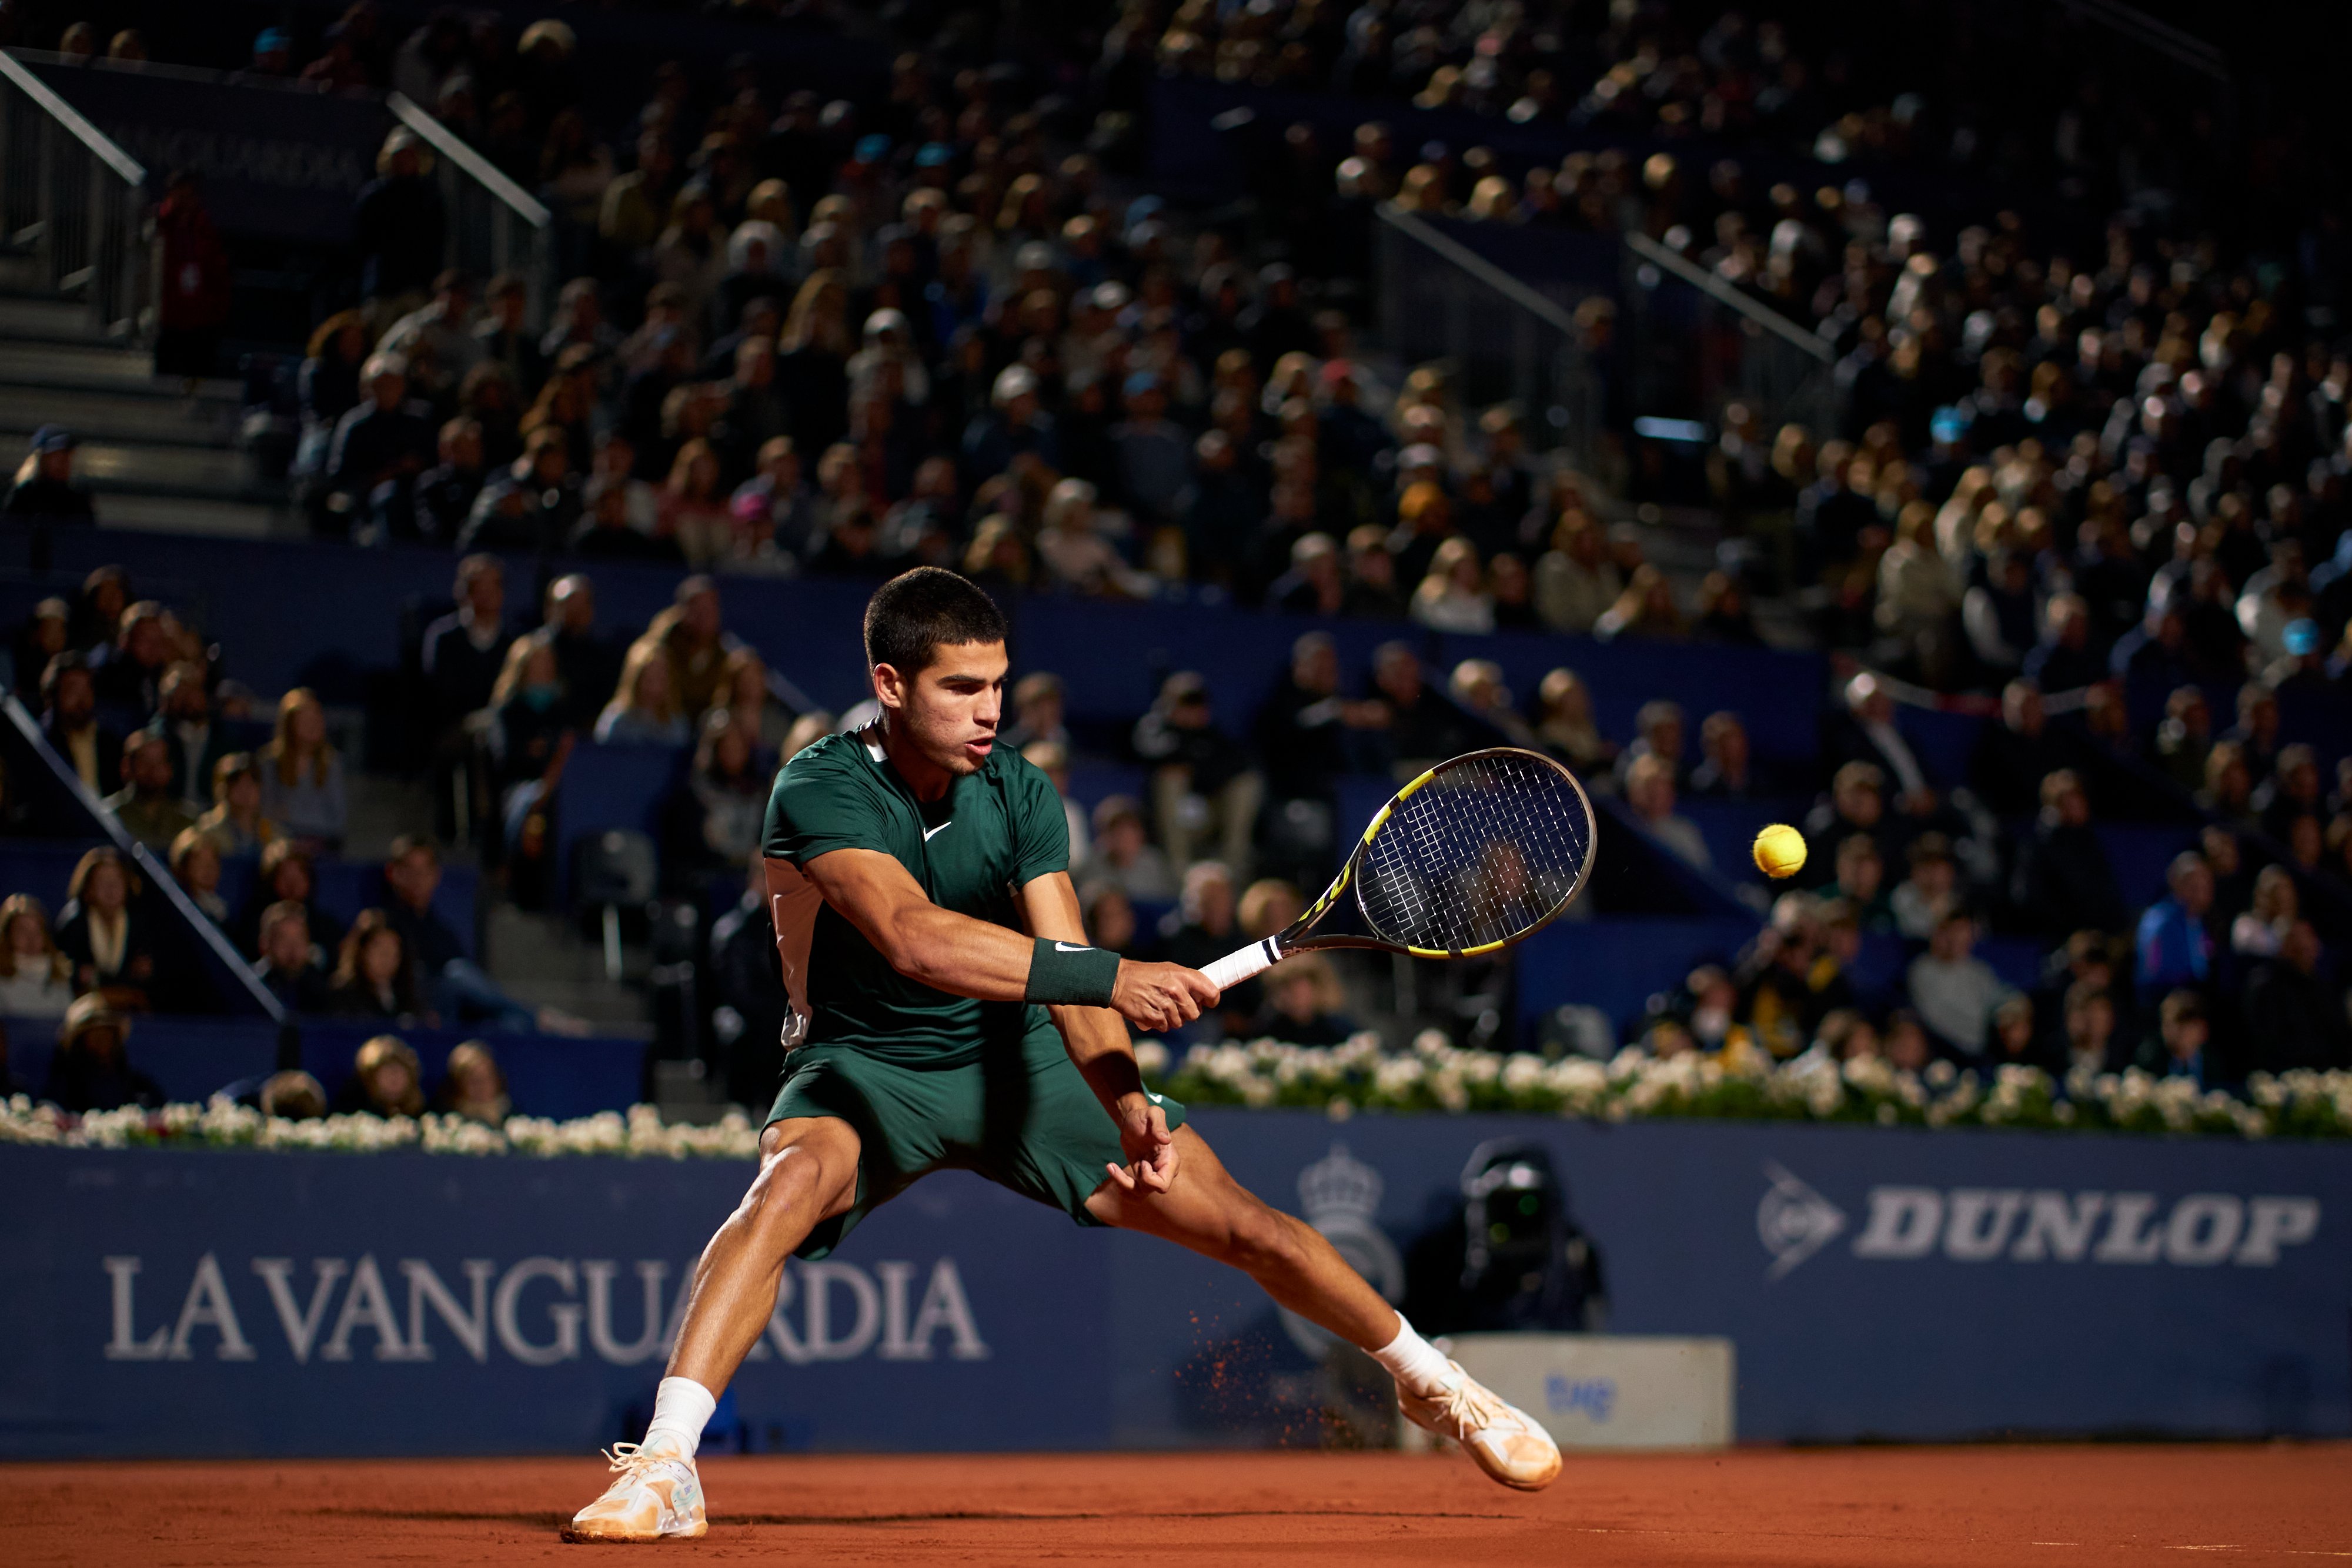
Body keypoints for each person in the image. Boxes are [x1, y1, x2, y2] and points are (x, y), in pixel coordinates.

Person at [566, 567, 1558, 1540]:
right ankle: (666, 1462)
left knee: (1246, 1225)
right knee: (785, 1188)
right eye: (961, 686)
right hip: (868, 1063)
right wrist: (1113, 975)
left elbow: (1073, 967)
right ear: (891, 684)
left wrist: (1126, 1099)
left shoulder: (1021, 792)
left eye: (997, 682)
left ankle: (1439, 1386)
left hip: (1023, 1064)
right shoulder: (820, 786)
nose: (989, 708)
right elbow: (915, 937)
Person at [55, 847, 157, 1003]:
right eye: (103, 881)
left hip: (127, 999)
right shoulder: (74, 923)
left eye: (117, 881)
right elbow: (63, 967)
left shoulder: (139, 921)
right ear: (88, 888)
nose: (111, 888)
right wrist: (77, 973)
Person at [1907, 908, 2010, 1058]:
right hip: (1945, 1051)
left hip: (1983, 1051)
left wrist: (2014, 1009)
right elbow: (1933, 1018)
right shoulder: (1922, 970)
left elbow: (1999, 1001)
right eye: (1954, 933)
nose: (1960, 940)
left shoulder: (1980, 972)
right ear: (1939, 934)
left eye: (1965, 935)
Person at [259, 688, 348, 851]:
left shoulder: (332, 762)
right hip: (281, 845)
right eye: (306, 720)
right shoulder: (270, 761)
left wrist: (291, 815)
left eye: (317, 719)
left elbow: (338, 821)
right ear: (290, 724)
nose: (314, 725)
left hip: (322, 845)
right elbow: (267, 813)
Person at [43, 994, 162, 1113]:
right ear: (79, 1043)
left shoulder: (139, 1086)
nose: (102, 1042)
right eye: (95, 1036)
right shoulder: (64, 1088)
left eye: (107, 1035)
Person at [326, 909, 432, 1027]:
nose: (386, 958)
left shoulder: (409, 994)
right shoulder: (343, 994)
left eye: (392, 950)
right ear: (362, 952)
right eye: (379, 949)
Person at [103, 733, 198, 851]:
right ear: (127, 767)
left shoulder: (187, 819)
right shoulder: (108, 816)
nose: (152, 770)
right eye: (145, 762)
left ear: (170, 769)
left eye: (159, 762)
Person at [596, 638, 692, 747]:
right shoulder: (617, 718)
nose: (654, 687)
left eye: (661, 679)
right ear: (635, 680)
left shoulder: (677, 723)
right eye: (648, 679)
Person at [249, 900, 332, 1014]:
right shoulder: (250, 988)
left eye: (299, 940)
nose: (293, 949)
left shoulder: (321, 991)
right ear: (265, 944)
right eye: (283, 940)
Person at [0, 893, 72, 1017]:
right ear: (8, 936)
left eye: (37, 931)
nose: (31, 939)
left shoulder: (59, 976)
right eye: (22, 930)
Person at [196, 754, 279, 857]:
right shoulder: (208, 830)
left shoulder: (272, 831)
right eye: (236, 783)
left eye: (250, 783)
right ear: (222, 789)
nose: (245, 790)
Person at [336, 1034, 426, 1117]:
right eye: (386, 1072)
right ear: (371, 1078)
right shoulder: (353, 1108)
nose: (393, 1079)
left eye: (398, 1072)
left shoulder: (422, 1114)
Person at [437, 1039, 512, 1125]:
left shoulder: (511, 1118)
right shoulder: (445, 1120)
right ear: (459, 1084)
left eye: (487, 1078)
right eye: (474, 1081)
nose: (481, 1086)